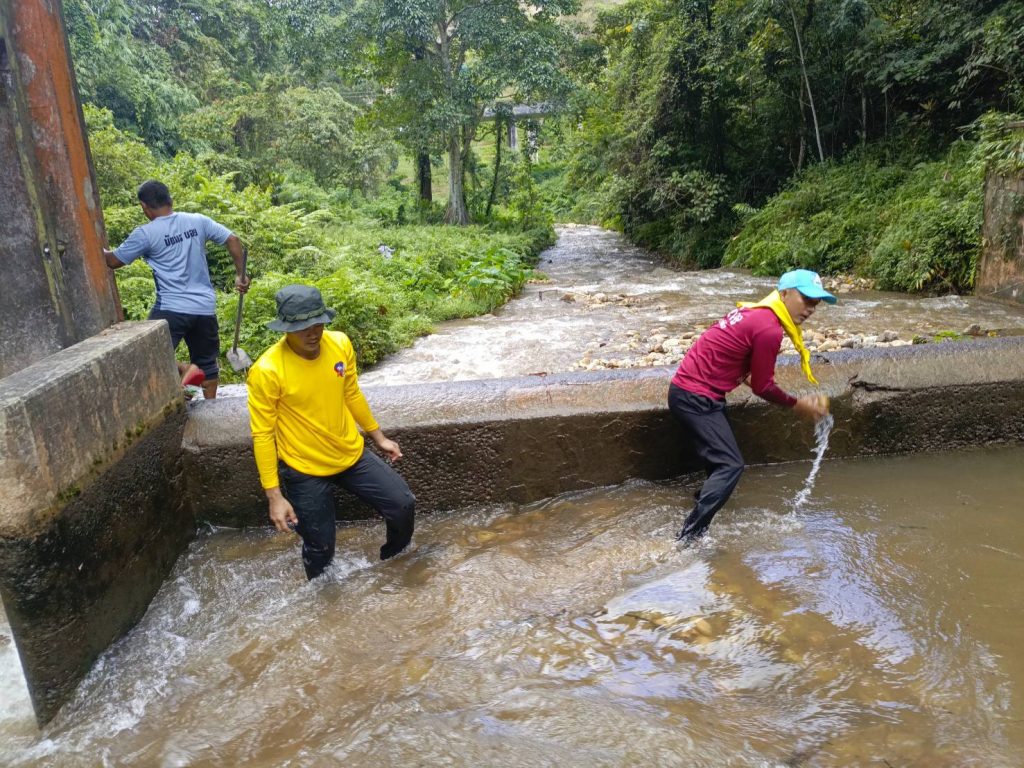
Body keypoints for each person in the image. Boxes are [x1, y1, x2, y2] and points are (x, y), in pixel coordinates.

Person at [247, 284, 416, 580]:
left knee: (403, 505)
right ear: (285, 328)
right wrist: (274, 495)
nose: (313, 333)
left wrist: (378, 437)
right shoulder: (267, 370)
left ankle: (393, 566)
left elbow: (351, 393)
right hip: (304, 467)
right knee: (320, 547)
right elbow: (262, 434)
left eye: (318, 324)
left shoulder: (339, 343)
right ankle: (322, 596)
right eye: (302, 328)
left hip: (350, 453)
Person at [668, 269, 835, 541]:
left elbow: (740, 367)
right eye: (806, 299)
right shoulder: (769, 328)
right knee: (730, 465)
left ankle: (703, 503)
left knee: (721, 461)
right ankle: (689, 537)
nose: (811, 309)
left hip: (693, 392)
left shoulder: (757, 313)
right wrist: (799, 405)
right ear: (784, 293)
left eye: (816, 303)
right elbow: (763, 387)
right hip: (696, 397)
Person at [104, 179, 250, 399]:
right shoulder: (198, 220)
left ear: (144, 206)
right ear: (169, 199)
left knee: (147, 354)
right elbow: (233, 239)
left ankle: (184, 369)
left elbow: (114, 261)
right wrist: (240, 274)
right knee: (207, 365)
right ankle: (210, 409)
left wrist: (98, 248)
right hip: (204, 307)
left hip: (171, 308)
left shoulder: (145, 234)